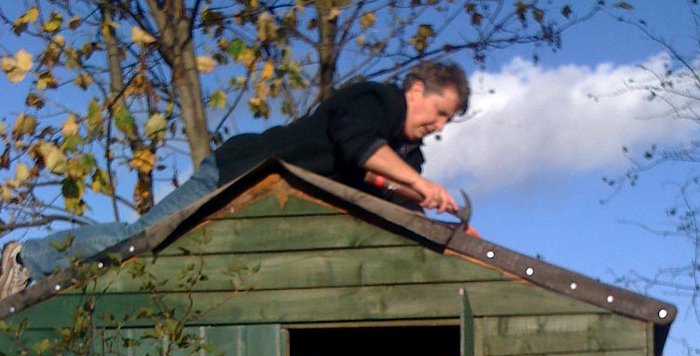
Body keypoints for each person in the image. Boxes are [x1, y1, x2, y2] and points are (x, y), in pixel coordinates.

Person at [0, 61, 470, 299]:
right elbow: (360, 147)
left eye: (448, 121)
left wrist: (447, 223)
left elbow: (380, 187)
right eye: (440, 112)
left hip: (258, 205)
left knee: (168, 269)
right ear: (415, 91)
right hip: (234, 174)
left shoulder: (406, 154)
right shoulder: (375, 100)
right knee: (141, 239)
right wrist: (422, 188)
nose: (440, 126)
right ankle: (26, 259)